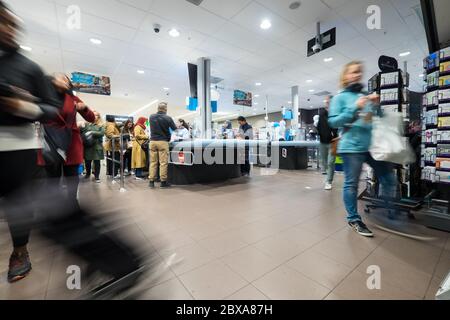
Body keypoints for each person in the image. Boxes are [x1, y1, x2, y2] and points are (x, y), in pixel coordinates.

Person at [0, 1, 61, 282]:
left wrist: (23, 107)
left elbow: (52, 109)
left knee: (18, 204)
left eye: (11, 23)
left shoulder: (30, 68)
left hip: (17, 145)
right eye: (3, 22)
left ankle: (20, 251)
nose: (7, 28)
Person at [328, 60, 397, 237]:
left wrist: (376, 104)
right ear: (345, 76)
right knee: (351, 184)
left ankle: (388, 211)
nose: (356, 74)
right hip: (351, 147)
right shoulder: (340, 97)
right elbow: (334, 122)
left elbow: (379, 117)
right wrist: (354, 107)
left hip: (371, 146)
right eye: (352, 72)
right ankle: (353, 219)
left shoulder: (366, 95)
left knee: (389, 178)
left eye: (359, 72)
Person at [37, 73, 96, 203]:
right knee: (52, 179)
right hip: (51, 144)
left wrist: (84, 108)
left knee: (72, 178)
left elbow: (92, 118)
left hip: (71, 143)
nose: (66, 80)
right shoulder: (44, 97)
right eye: (62, 77)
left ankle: (72, 205)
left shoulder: (73, 99)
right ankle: (53, 208)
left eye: (67, 80)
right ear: (52, 80)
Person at [148, 102, 177, 189]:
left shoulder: (151, 117)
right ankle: (163, 182)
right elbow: (174, 129)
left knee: (153, 162)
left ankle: (151, 182)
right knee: (163, 163)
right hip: (162, 142)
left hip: (152, 141)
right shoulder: (168, 118)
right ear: (165, 109)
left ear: (158, 108)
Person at [317, 95, 338, 190]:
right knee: (325, 163)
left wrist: (335, 136)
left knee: (330, 162)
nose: (328, 102)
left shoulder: (335, 113)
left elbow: (337, 126)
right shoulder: (322, 113)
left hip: (332, 142)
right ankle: (328, 175)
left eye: (329, 101)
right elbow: (319, 126)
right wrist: (320, 134)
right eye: (327, 101)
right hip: (322, 142)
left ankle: (329, 181)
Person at [81, 110, 105, 183]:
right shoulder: (86, 124)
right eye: (93, 114)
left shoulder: (101, 125)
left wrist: (91, 132)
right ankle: (88, 173)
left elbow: (102, 133)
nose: (95, 116)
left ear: (98, 117)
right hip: (88, 146)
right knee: (87, 161)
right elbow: (82, 133)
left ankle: (97, 176)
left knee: (97, 162)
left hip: (97, 146)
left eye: (96, 115)